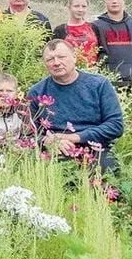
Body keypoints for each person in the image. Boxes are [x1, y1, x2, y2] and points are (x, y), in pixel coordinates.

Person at [28, 40, 124, 172]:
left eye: (61, 57)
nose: (56, 63)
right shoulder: (37, 92)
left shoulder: (99, 85)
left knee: (107, 176)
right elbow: (30, 133)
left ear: (74, 57)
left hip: (96, 147)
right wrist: (47, 141)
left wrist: (74, 137)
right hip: (57, 150)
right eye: (50, 59)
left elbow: (115, 125)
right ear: (45, 64)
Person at [52, 0, 103, 66]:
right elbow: (54, 53)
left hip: (92, 73)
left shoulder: (94, 28)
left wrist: (97, 66)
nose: (80, 10)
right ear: (69, 7)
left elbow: (102, 51)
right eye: (76, 6)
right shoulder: (60, 30)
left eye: (84, 6)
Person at [0, 72, 34, 140]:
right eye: (0, 90)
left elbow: (31, 135)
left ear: (16, 94)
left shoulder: (21, 109)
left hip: (16, 148)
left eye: (9, 91)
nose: (4, 94)